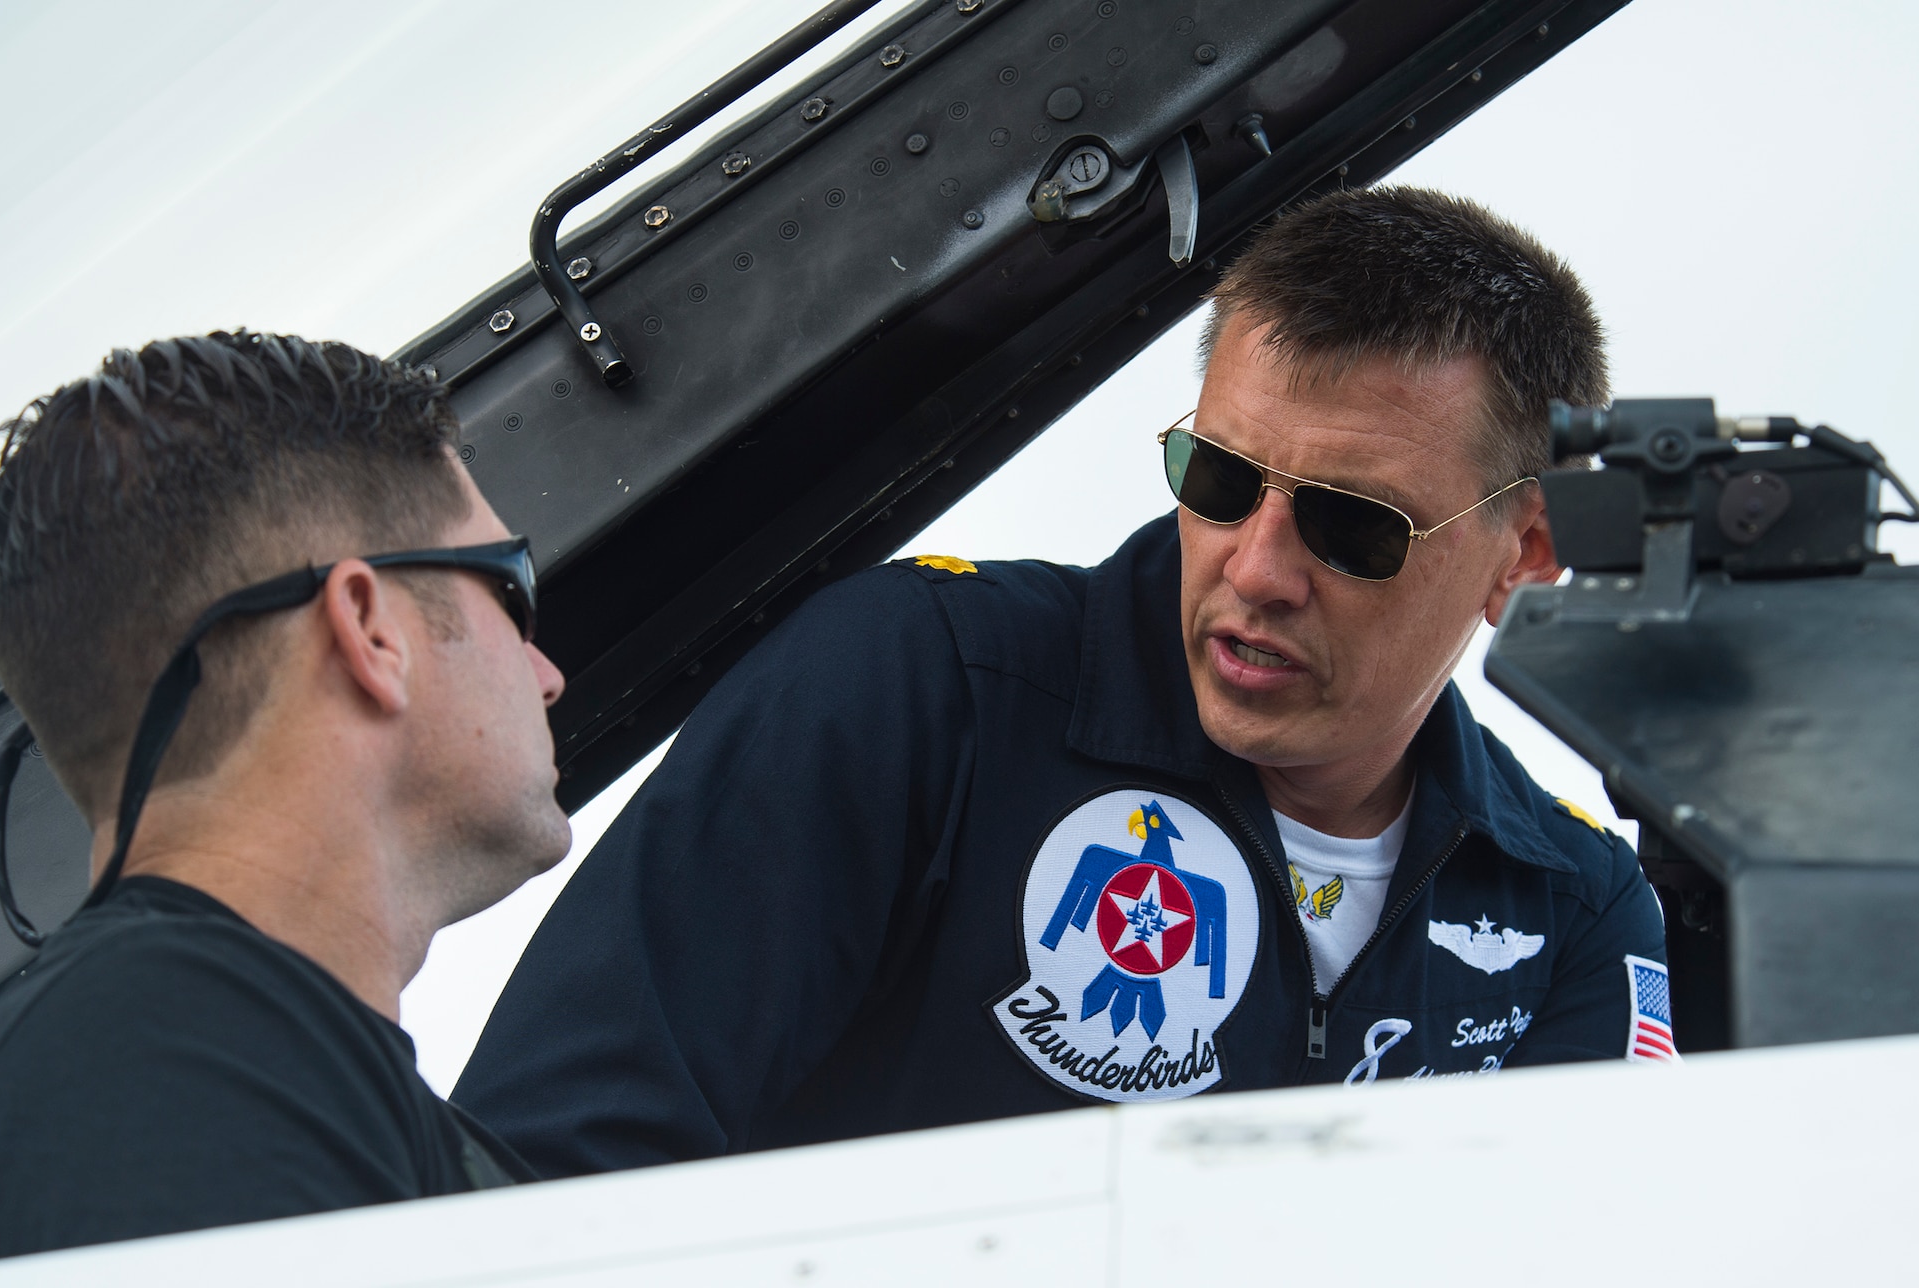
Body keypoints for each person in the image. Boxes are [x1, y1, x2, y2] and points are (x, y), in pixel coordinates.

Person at [456, 186, 1674, 1178]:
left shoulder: (1573, 913)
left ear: (1521, 553)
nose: (1256, 569)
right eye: (1215, 479)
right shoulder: (916, 687)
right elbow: (543, 1175)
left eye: (1350, 528)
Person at [0, 333, 573, 1267]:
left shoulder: (189, 1070)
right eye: (512, 591)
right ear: (369, 630)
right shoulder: (154, 1067)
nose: (546, 675)